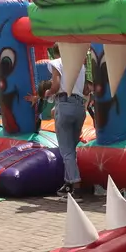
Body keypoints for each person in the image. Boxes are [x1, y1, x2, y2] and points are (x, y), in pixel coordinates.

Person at [49, 46, 88, 198]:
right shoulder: (80, 64)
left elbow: (56, 85)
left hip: (64, 104)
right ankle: (68, 183)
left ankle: (76, 186)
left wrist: (47, 93)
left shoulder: (57, 63)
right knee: (71, 148)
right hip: (79, 106)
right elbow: (85, 89)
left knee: (66, 150)